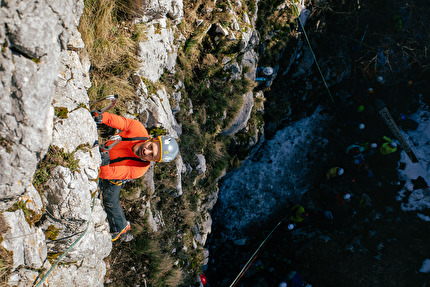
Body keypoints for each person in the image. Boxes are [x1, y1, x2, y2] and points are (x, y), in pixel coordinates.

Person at [93, 111, 179, 242]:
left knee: (110, 199)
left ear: (154, 161)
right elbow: (114, 120)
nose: (146, 152)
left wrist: (104, 154)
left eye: (152, 155)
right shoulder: (137, 129)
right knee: (109, 199)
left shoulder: (139, 169)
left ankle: (121, 228)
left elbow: (104, 173)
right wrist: (101, 117)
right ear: (152, 139)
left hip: (114, 173)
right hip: (107, 156)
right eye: (151, 147)